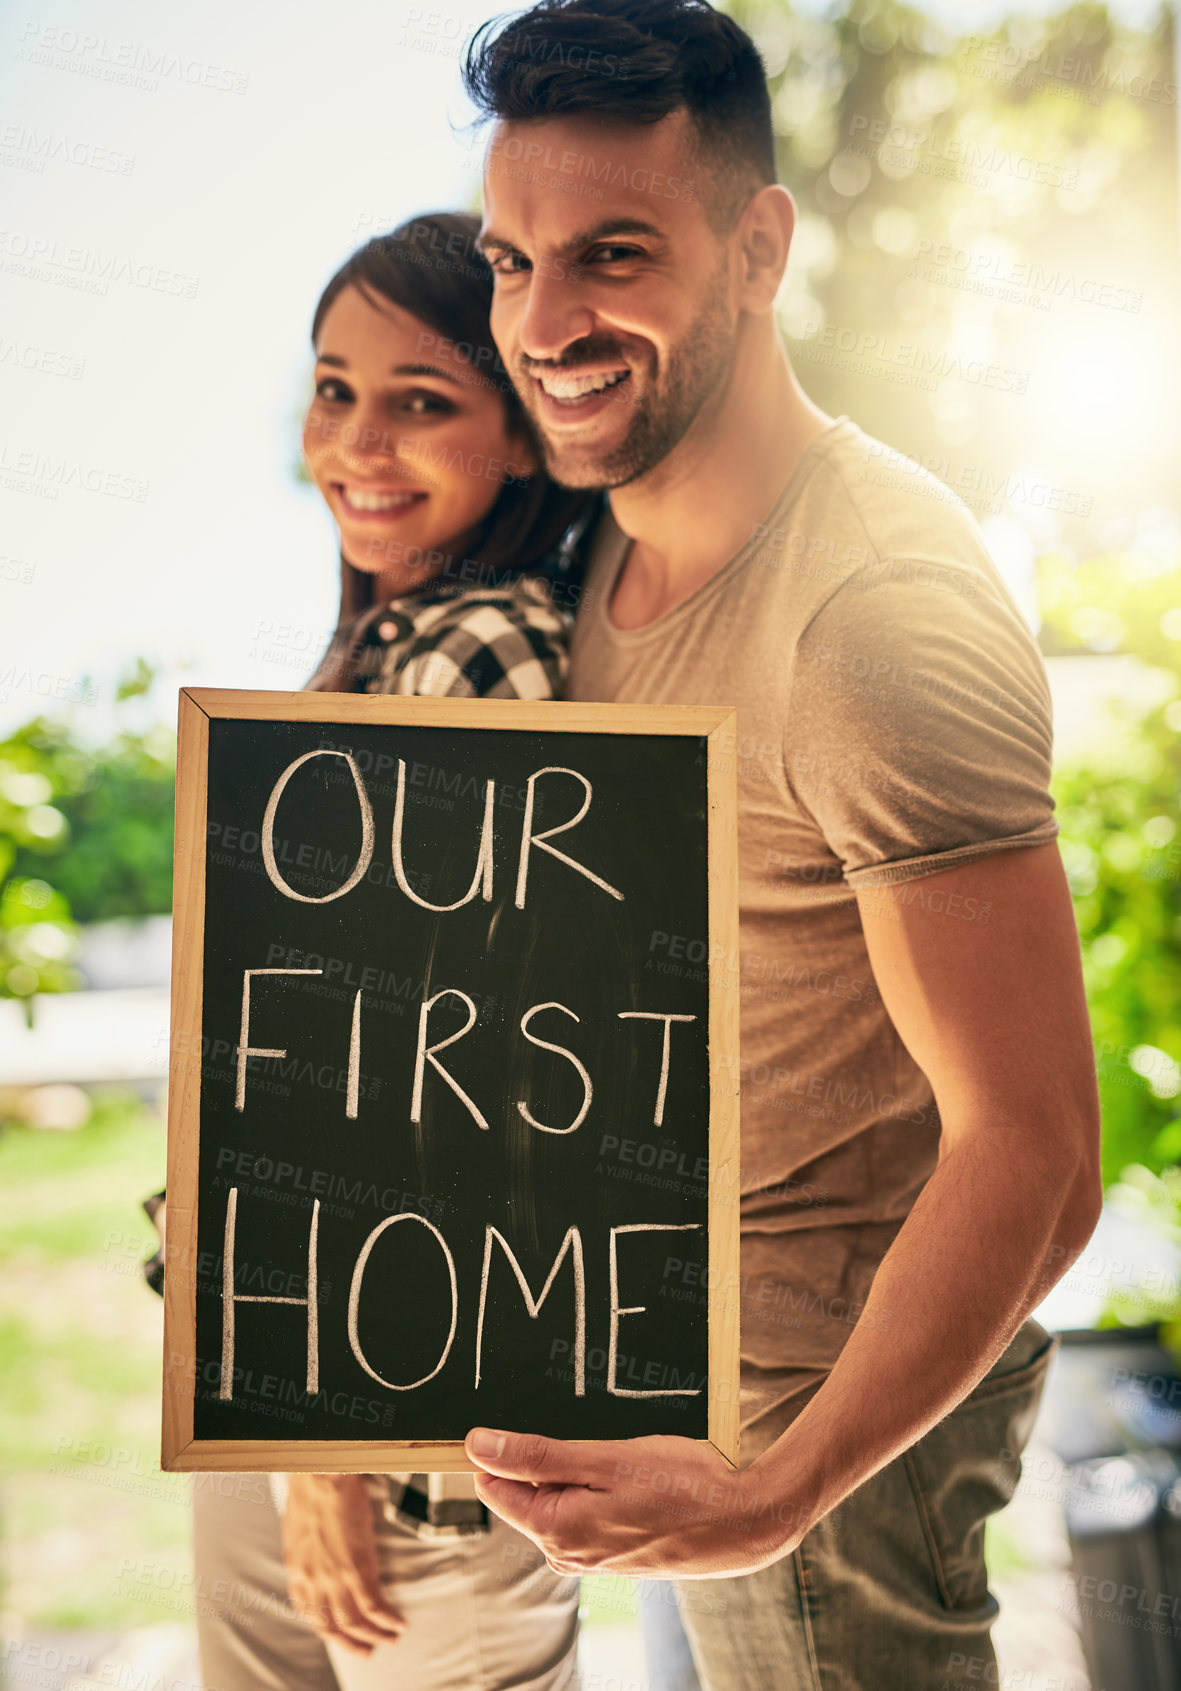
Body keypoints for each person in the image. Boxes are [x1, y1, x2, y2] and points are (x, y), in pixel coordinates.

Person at [450, 4, 1104, 1688]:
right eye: (511, 262)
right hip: (660, 1405)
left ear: (757, 249)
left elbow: (1034, 1155)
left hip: (815, 1447)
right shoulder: (591, 554)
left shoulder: (870, 617)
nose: (546, 317)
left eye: (612, 253)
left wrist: (773, 1493)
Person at [149, 211, 600, 1691]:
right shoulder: (380, 651)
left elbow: (422, 1074)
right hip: (272, 1374)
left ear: (525, 437)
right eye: (335, 388)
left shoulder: (480, 653)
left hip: (395, 1435)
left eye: (422, 401)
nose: (358, 439)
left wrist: (319, 1441)